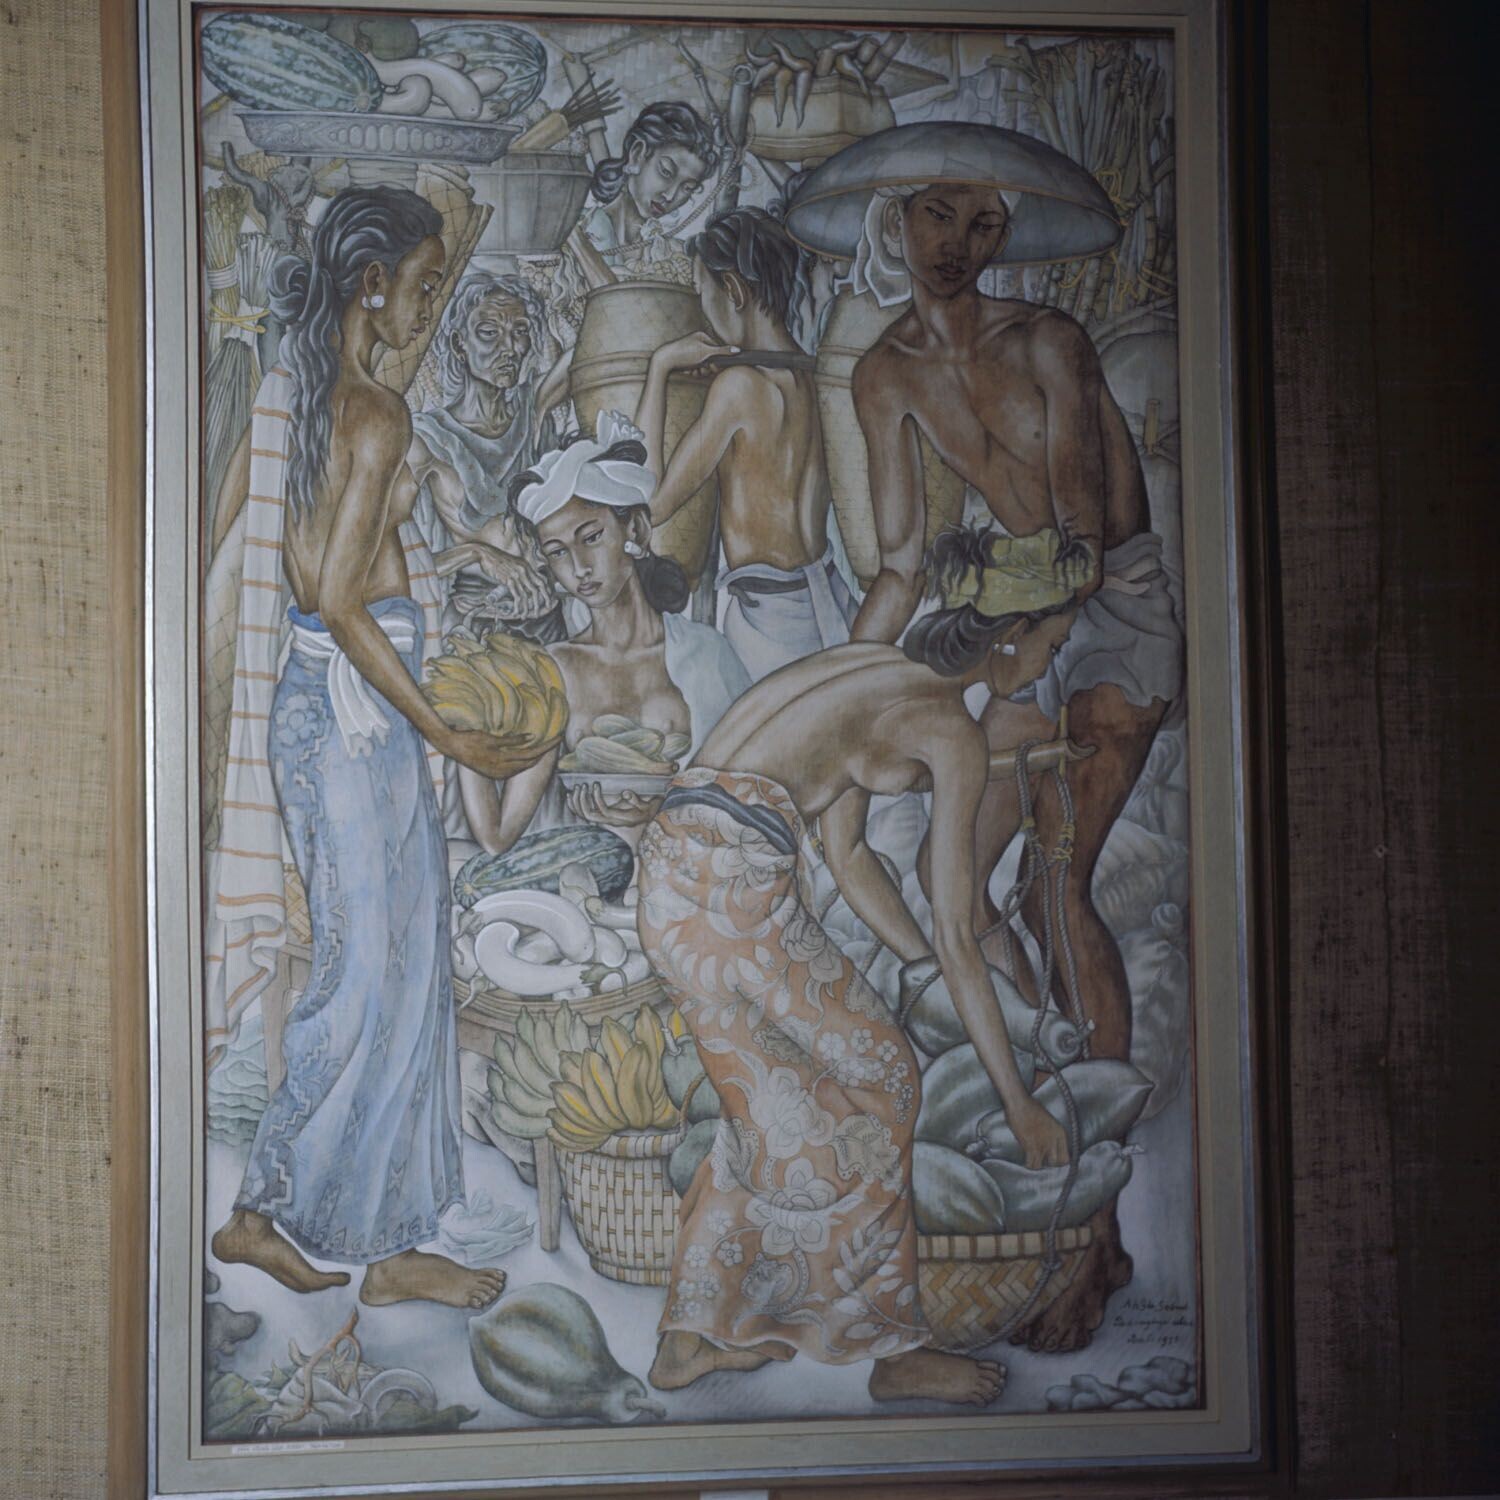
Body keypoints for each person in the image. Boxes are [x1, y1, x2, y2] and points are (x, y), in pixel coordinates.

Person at [845, 173, 1183, 1350]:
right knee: (957, 889)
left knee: (1053, 884)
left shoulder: (1049, 339)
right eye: (937, 215)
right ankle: (1050, 1111)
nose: (958, 242)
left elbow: (1084, 542)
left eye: (983, 222)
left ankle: (1094, 1232)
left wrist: (1014, 641)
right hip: (1021, 623)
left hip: (1111, 610)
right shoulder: (883, 373)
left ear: (1006, 233)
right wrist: (842, 685)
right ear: (897, 219)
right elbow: (898, 565)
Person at [207, 187, 558, 1310]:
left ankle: (397, 1241)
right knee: (364, 975)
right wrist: (445, 728)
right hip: (354, 713)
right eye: (422, 285)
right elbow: (336, 597)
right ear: (370, 284)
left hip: (346, 710)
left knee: (412, 980)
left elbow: (343, 563)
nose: (426, 307)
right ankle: (258, 1213)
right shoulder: (373, 411)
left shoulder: (318, 395)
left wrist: (442, 557)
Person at [631, 619, 1075, 1403]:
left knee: (761, 1110)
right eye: (1049, 643)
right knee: (889, 1079)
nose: (1049, 662)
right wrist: (1019, 1103)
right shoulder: (951, 732)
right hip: (737, 886)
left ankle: (687, 1336)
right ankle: (890, 1350)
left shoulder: (875, 665)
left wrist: (920, 968)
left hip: (670, 879)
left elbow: (849, 856)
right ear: (1008, 636)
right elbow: (959, 932)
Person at [459, 412, 750, 855]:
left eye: (591, 537)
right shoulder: (555, 669)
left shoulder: (707, 654)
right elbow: (498, 835)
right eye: (558, 552)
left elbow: (756, 798)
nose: (578, 567)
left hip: (706, 873)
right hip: (596, 880)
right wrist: (462, 720)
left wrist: (658, 814)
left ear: (635, 529)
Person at [634, 207, 856, 682]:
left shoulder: (738, 388)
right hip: (832, 598)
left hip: (772, 623)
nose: (704, 312)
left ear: (733, 290)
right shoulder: (811, 373)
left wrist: (661, 366)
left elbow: (650, 504)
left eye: (704, 294)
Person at [403, 271, 561, 639]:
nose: (510, 348)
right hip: (471, 628)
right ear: (459, 345)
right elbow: (389, 562)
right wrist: (478, 554)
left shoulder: (536, 419)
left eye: (520, 332)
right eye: (489, 333)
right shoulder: (426, 439)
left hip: (547, 618)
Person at [580, 101, 720, 272]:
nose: (670, 196)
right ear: (637, 154)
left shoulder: (670, 253)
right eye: (666, 172)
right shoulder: (584, 229)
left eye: (687, 188)